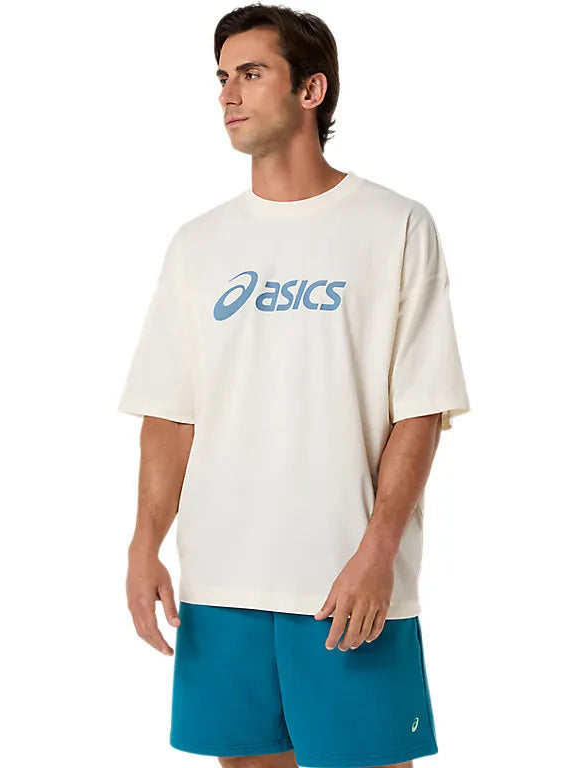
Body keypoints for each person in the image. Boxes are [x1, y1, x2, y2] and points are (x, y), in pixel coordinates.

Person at [120, 4, 471, 767]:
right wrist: (145, 545)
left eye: (251, 73)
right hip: (221, 586)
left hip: (346, 582)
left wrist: (379, 554)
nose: (228, 94)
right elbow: (170, 415)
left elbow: (419, 410)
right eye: (221, 77)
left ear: (311, 90)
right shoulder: (198, 244)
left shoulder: (394, 225)